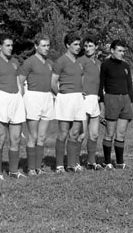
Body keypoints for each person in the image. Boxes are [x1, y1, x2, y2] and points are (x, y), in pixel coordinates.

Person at [0, 34, 25, 179]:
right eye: (7, 45)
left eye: (12, 45)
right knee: (1, 137)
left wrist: (20, 96)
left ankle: (13, 171)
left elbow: (19, 82)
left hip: (15, 99)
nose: (11, 48)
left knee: (16, 138)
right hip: (0, 99)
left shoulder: (15, 62)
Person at [18, 34, 54, 176]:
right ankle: (31, 168)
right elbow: (20, 81)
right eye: (43, 45)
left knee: (42, 136)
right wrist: (20, 99)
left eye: (48, 45)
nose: (46, 48)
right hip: (33, 98)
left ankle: (39, 167)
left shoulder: (50, 63)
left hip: (47, 98)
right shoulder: (29, 62)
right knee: (33, 135)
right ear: (36, 46)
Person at [51, 32, 85, 173]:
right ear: (67, 45)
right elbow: (53, 82)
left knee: (75, 133)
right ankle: (59, 165)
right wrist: (61, 95)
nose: (78, 47)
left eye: (79, 44)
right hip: (65, 98)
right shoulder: (61, 61)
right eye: (75, 44)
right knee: (63, 133)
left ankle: (72, 164)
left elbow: (80, 80)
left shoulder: (79, 62)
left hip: (78, 99)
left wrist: (80, 92)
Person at [99, 40, 133, 170]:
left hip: (125, 100)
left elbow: (129, 86)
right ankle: (107, 162)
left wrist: (130, 101)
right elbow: (100, 86)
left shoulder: (126, 66)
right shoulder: (105, 65)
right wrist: (101, 105)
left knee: (121, 133)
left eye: (123, 51)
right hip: (111, 99)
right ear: (112, 50)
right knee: (109, 133)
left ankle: (120, 163)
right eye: (119, 51)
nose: (122, 53)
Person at [78, 37, 103, 170]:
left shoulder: (98, 63)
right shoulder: (81, 61)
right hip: (84, 99)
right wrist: (78, 91)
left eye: (90, 46)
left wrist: (100, 99)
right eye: (86, 46)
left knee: (94, 134)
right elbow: (75, 77)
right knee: (81, 133)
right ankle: (74, 162)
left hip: (95, 100)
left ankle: (91, 162)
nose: (87, 49)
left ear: (96, 47)